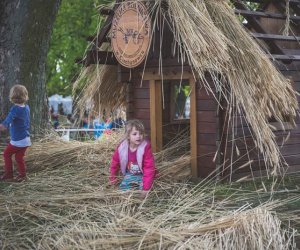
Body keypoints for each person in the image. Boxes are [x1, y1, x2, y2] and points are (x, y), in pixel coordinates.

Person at [109, 119, 156, 195]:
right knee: (123, 191)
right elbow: (115, 163)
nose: (138, 136)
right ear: (128, 136)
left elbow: (149, 167)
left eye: (141, 133)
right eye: (134, 134)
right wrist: (113, 179)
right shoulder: (122, 148)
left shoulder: (145, 147)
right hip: (130, 174)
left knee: (143, 192)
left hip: (143, 175)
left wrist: (146, 188)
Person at [0, 85, 31, 182]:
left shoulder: (15, 109)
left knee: (6, 154)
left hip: (18, 140)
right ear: (25, 96)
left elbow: (9, 119)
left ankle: (9, 174)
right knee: (18, 157)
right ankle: (23, 175)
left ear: (12, 97)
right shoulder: (26, 107)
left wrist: (3, 125)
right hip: (26, 139)